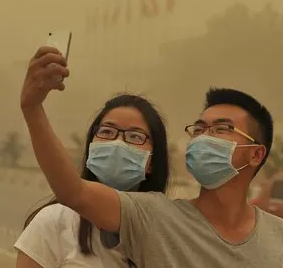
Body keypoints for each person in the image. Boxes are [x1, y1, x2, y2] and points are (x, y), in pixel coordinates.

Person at [20, 46, 283, 268]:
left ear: (256, 154)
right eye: (199, 129)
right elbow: (74, 192)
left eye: (221, 129)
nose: (204, 137)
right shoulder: (156, 216)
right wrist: (33, 109)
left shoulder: (281, 236)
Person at [14, 93, 170, 268]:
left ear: (152, 162)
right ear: (91, 147)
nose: (118, 143)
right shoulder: (55, 221)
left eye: (135, 136)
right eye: (107, 132)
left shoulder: (166, 234)